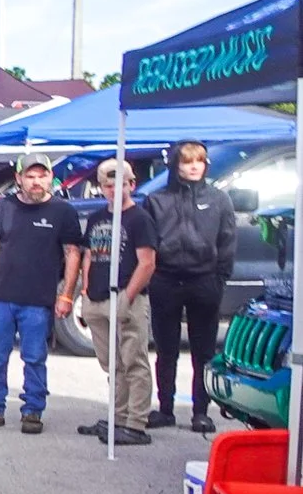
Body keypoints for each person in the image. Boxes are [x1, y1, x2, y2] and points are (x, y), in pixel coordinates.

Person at [0, 160, 85, 435]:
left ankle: (32, 411)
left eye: (42, 177)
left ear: (51, 178)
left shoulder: (63, 211)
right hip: (2, 298)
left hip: (39, 301)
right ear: (18, 178)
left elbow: (72, 253)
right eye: (30, 176)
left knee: (34, 358)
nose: (36, 182)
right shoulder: (3, 207)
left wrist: (66, 295)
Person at [144, 141, 238, 434]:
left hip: (204, 280)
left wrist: (219, 277)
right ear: (176, 165)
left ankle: (200, 411)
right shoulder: (156, 200)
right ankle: (166, 408)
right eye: (187, 161)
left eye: (199, 161)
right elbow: (147, 243)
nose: (194, 166)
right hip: (166, 280)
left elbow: (227, 241)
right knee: (166, 349)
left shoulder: (219, 199)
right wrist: (153, 276)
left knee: (203, 351)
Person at [73, 156, 158, 446]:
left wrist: (128, 296)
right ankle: (117, 417)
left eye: (120, 184)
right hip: (96, 297)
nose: (113, 190)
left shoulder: (140, 218)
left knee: (133, 360)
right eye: (107, 185)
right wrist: (84, 290)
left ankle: (136, 422)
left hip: (125, 296)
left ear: (132, 185)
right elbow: (88, 254)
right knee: (112, 364)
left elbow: (147, 262)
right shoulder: (97, 218)